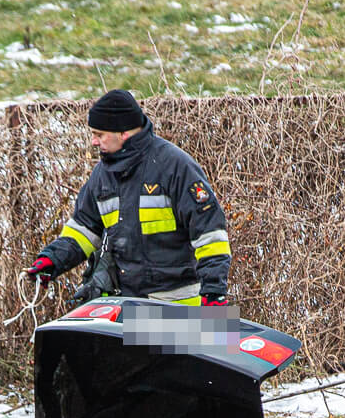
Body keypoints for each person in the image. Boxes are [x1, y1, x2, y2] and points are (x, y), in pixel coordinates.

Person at [24, 89, 231, 306]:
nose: (94, 142)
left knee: (219, 338)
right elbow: (83, 232)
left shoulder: (175, 167)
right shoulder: (102, 176)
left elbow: (211, 236)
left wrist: (214, 294)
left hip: (179, 306)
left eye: (99, 134)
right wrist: (51, 261)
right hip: (128, 305)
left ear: (123, 133)